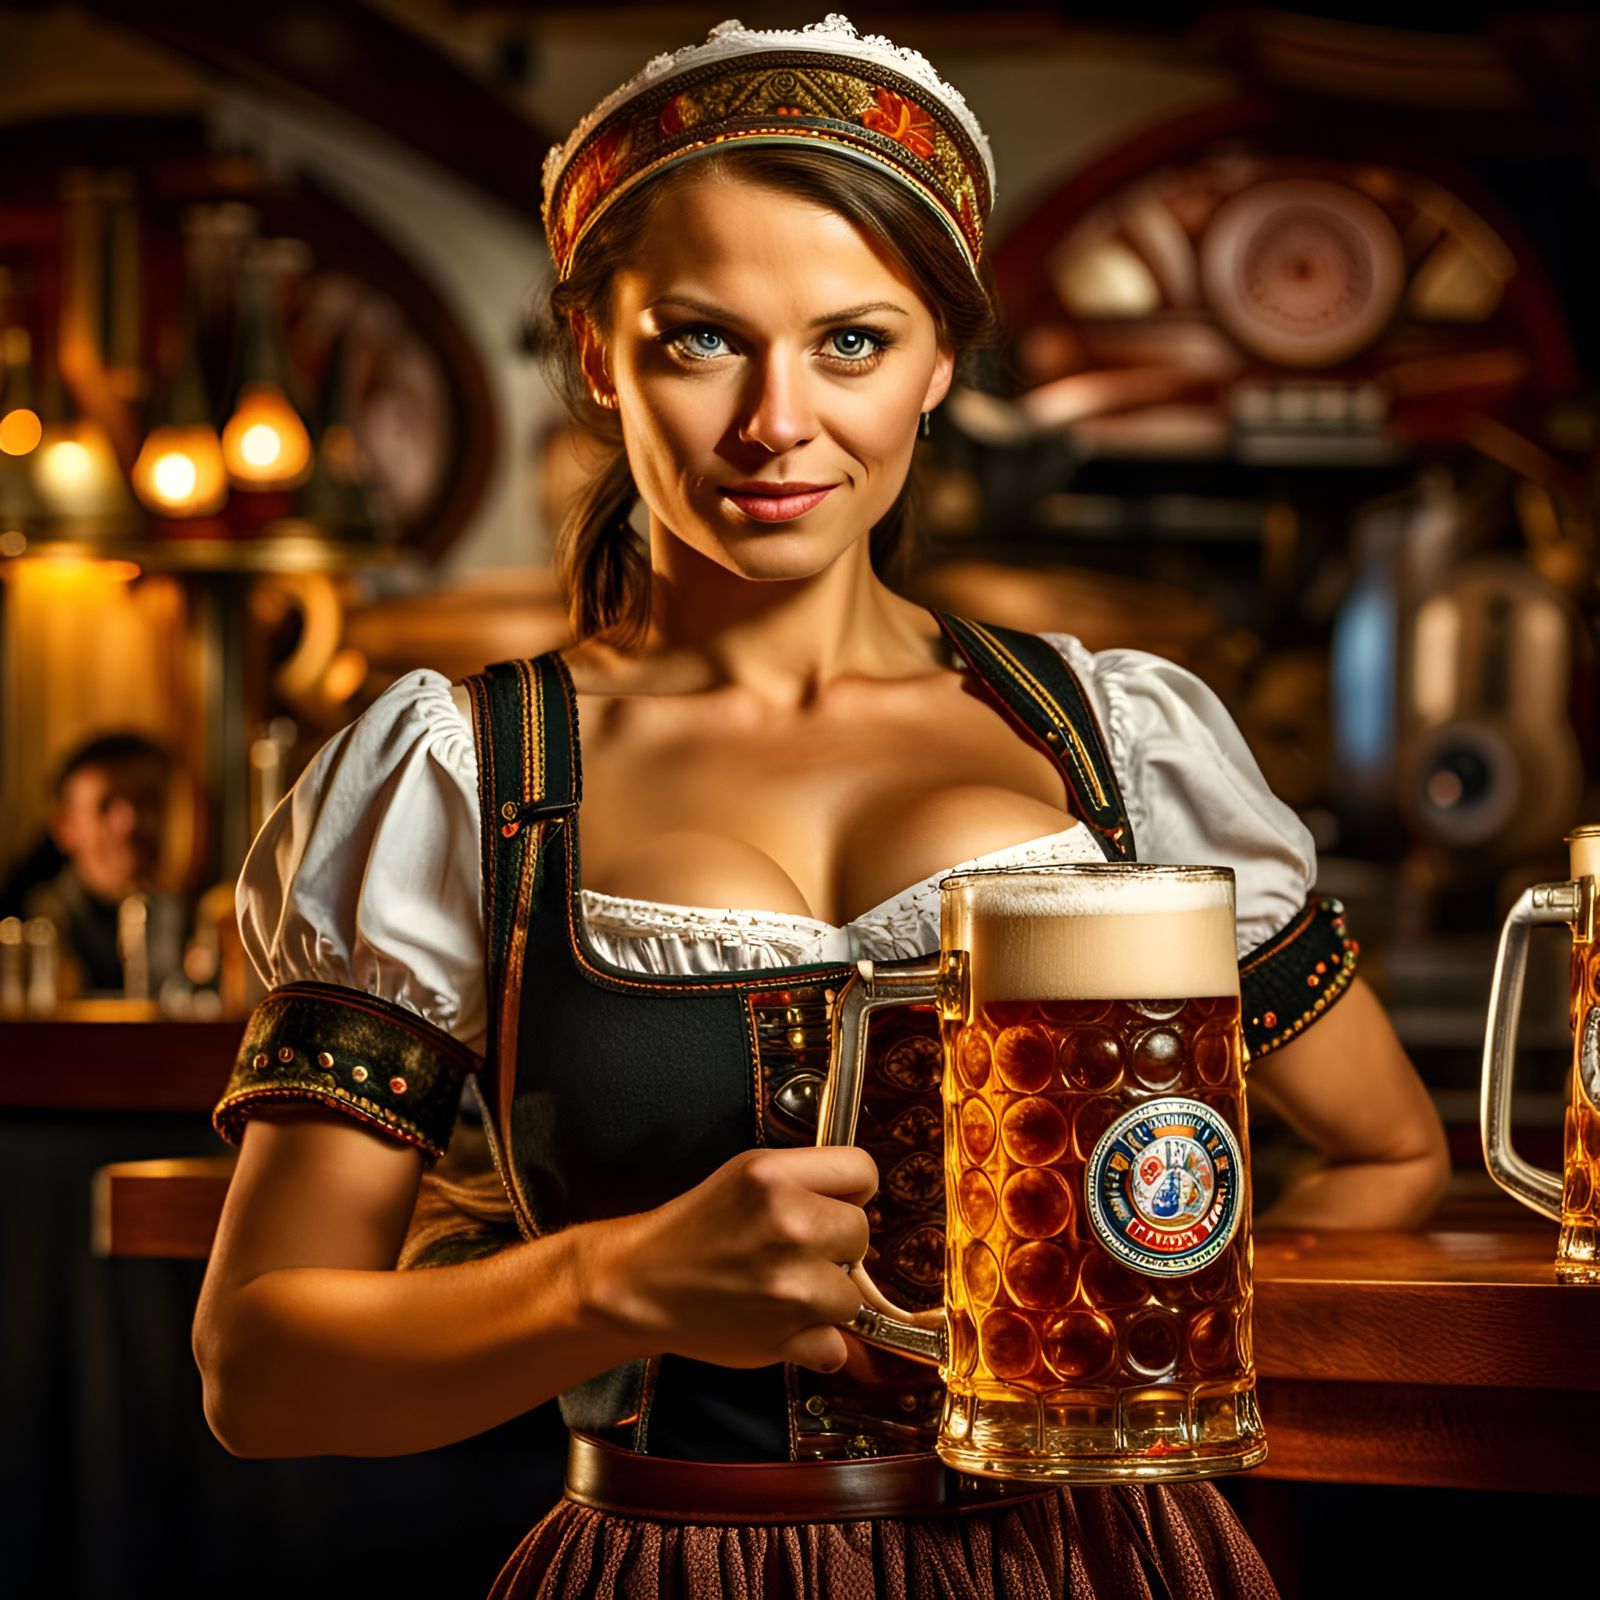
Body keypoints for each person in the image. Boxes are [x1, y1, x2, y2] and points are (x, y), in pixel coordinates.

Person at [194, 17, 1448, 1597]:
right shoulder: (457, 776)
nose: (777, 421)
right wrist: (616, 1281)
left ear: (940, 362)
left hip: (1105, 1560)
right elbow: (261, 1371)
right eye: (700, 338)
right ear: (595, 355)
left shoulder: (1118, 741)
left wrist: (1139, 1344)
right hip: (683, 1562)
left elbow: (1384, 1155)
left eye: (851, 342)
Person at [19, 731, 182, 997]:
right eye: (105, 806)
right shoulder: (30, 929)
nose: (131, 822)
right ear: (64, 827)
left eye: (147, 800)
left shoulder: (198, 923)